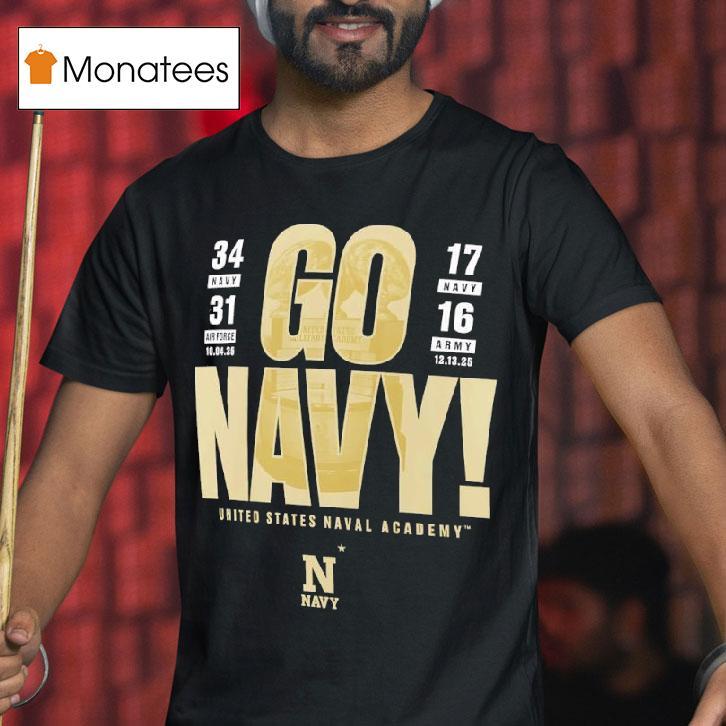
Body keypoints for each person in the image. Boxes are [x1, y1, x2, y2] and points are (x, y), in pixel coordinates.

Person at [1, 0, 724, 723]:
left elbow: (664, 414)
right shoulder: (165, 209)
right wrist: (15, 622)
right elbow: (70, 475)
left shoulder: (524, 188)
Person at [538, 522, 699, 725]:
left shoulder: (703, 698)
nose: (550, 627)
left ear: (630, 619)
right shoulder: (544, 703)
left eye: (567, 607)